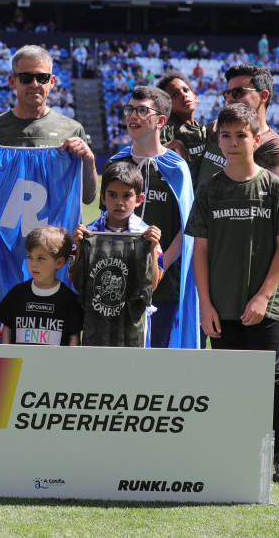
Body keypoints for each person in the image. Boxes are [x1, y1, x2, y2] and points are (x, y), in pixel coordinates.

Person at [185, 103, 279, 485]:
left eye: (241, 135)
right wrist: (205, 304)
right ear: (218, 140)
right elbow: (199, 253)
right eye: (225, 135)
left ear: (256, 138)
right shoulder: (209, 190)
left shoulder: (274, 188)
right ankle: (234, 450)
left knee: (270, 377)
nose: (233, 143)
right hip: (220, 305)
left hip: (264, 305)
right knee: (231, 379)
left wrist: (263, 296)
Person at [105, 86, 198, 349]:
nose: (133, 116)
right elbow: (107, 222)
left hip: (164, 283)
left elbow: (187, 228)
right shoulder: (116, 163)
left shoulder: (176, 168)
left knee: (157, 360)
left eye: (142, 110)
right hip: (118, 280)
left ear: (160, 120)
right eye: (129, 109)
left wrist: (158, 267)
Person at [0, 45, 98, 205]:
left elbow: (88, 197)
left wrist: (89, 159)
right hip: (5, 229)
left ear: (52, 82)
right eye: (25, 77)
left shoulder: (72, 130)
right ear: (12, 81)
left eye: (42, 77)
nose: (34, 84)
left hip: (55, 229)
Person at [71, 162, 163, 347]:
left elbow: (152, 286)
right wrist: (79, 247)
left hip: (133, 326)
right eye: (112, 195)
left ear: (139, 199)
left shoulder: (147, 236)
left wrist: (152, 249)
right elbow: (76, 282)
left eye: (127, 195)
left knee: (132, 373)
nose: (119, 202)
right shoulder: (88, 234)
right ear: (103, 198)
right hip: (96, 325)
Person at [199, 65, 279, 184]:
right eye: (227, 93)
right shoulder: (214, 127)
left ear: (263, 96)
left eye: (238, 92)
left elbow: (260, 196)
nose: (230, 98)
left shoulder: (274, 147)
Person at [0, 226, 82, 346]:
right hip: (20, 363)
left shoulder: (69, 299)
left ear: (59, 263)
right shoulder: (17, 293)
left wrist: (71, 363)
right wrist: (5, 354)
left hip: (55, 364)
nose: (33, 264)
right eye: (30, 257)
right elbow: (7, 328)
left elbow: (74, 336)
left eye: (41, 258)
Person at [157, 71, 206, 185]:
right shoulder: (167, 128)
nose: (183, 95)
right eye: (174, 95)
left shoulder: (200, 128)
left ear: (195, 97)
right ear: (167, 106)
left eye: (186, 90)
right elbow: (149, 154)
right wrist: (173, 144)